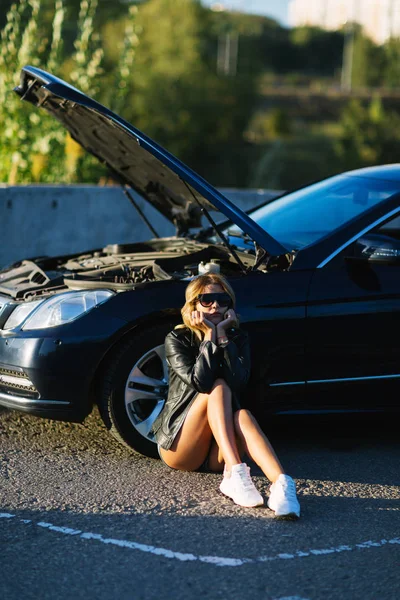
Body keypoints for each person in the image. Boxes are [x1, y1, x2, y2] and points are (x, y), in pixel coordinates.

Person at [151, 272, 300, 518]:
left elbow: (239, 382)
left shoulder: (238, 338)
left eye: (222, 300)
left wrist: (223, 337)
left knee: (243, 415)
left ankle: (282, 485)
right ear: (193, 305)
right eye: (207, 300)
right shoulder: (178, 338)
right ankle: (236, 472)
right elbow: (200, 382)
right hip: (181, 446)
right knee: (217, 386)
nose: (215, 306)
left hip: (217, 453)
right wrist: (209, 336)